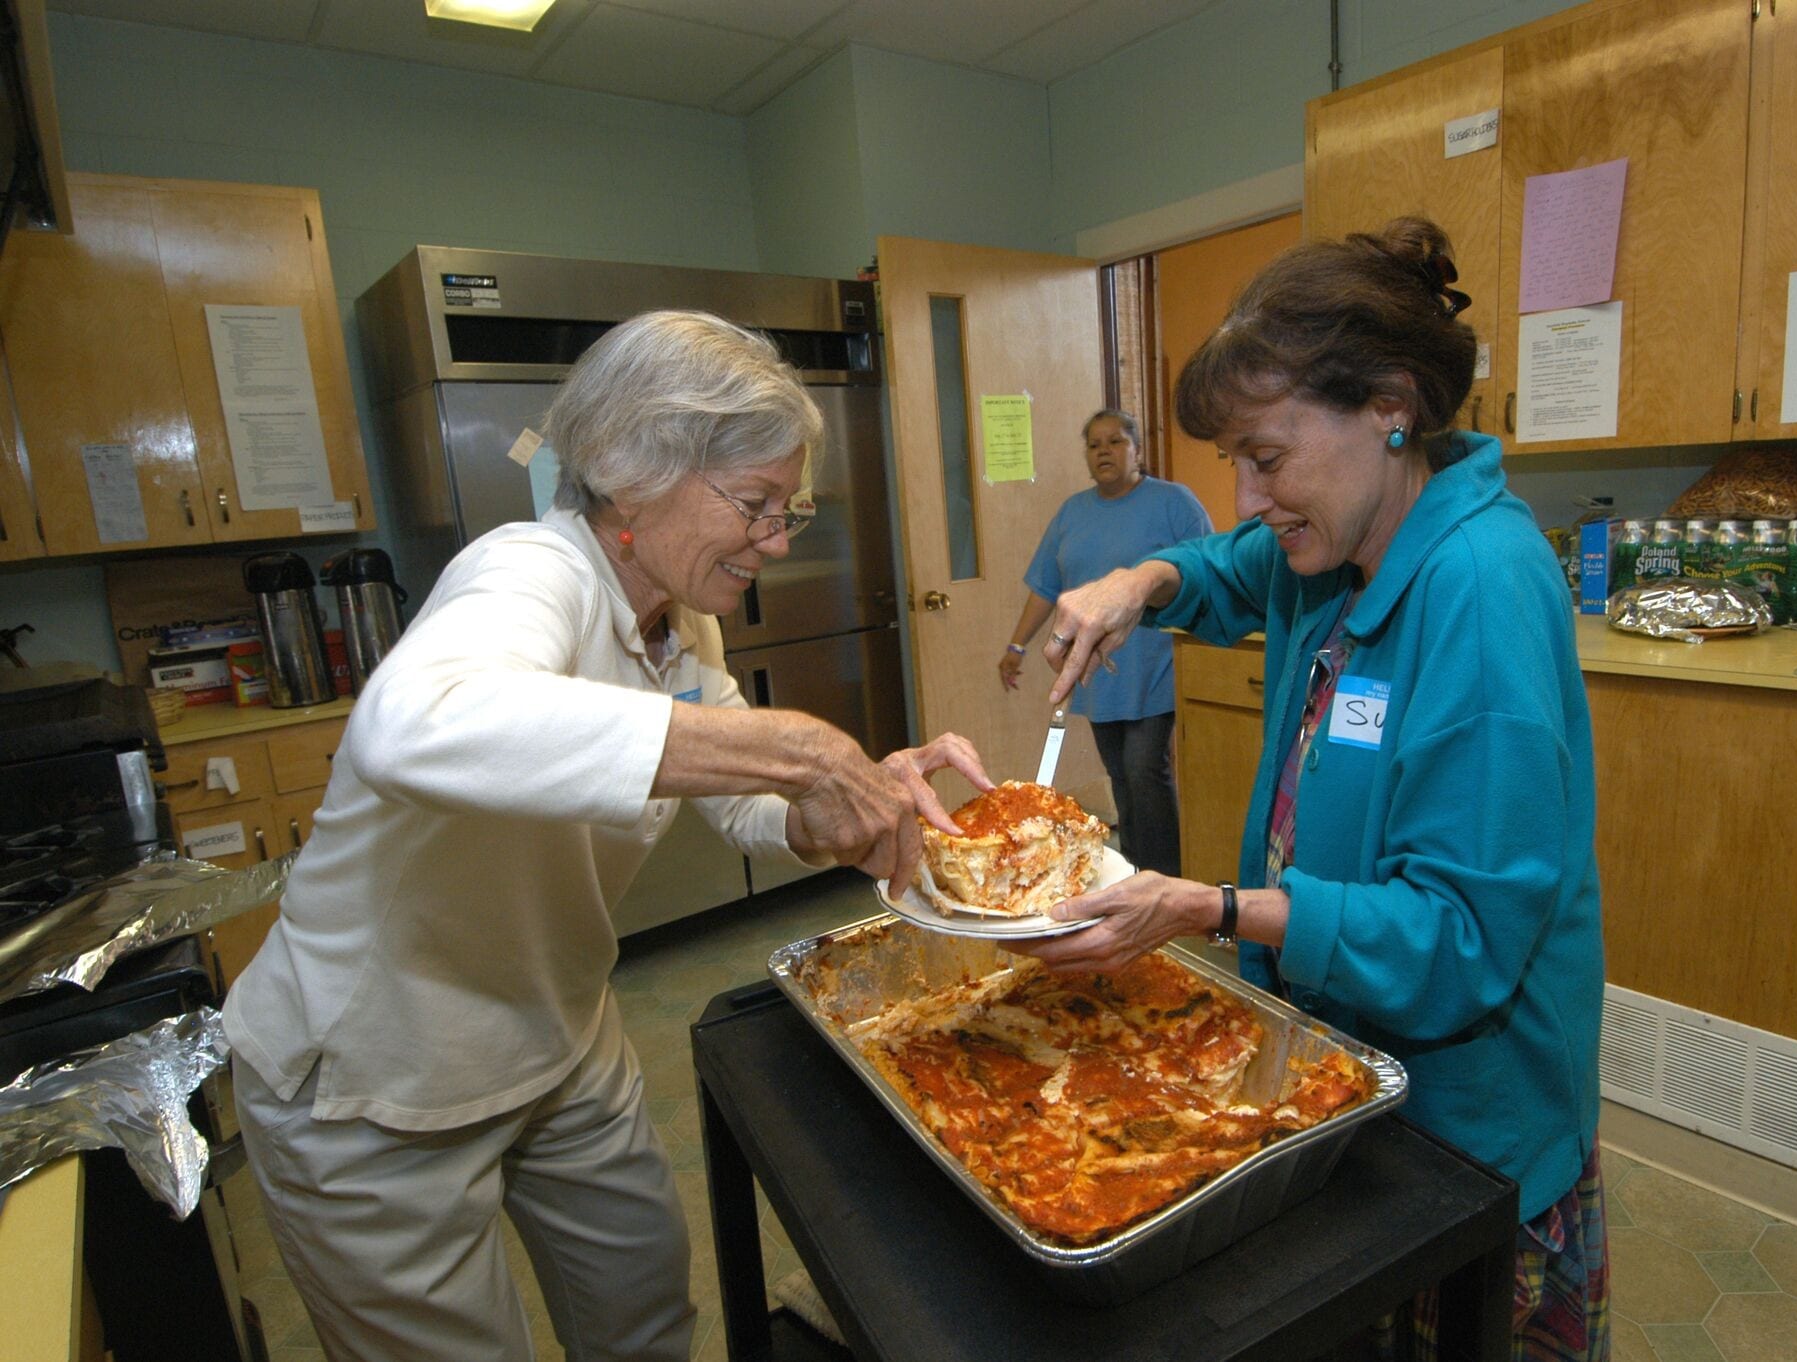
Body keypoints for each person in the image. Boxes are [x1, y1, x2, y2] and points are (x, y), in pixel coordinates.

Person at [223, 311, 991, 1362]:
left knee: (643, 1320)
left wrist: (830, 814)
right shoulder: (528, 571)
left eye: (788, 507)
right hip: (378, 1076)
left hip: (563, 1031)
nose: (775, 540)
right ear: (632, 474)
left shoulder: (682, 615)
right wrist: (798, 746)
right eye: (754, 506)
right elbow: (414, 723)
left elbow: (736, 805)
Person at [1020, 221, 1608, 1361]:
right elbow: (1219, 567)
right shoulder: (1332, 541)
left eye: (1265, 456)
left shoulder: (1480, 593)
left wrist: (1210, 909)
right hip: (1347, 1080)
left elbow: (1454, 940)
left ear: (1389, 403)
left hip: (1465, 1127)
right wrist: (1133, 581)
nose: (1245, 495)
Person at [996, 409, 1212, 875]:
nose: (1104, 452)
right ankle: (1133, 871)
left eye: (1115, 442)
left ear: (1138, 450)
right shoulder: (1073, 512)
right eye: (1094, 445)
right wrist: (1016, 646)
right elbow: (1044, 586)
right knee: (1121, 775)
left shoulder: (1175, 502)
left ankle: (1163, 878)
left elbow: (1208, 571)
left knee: (1143, 769)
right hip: (1098, 670)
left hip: (1156, 664)